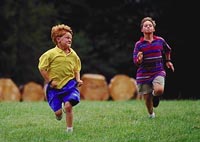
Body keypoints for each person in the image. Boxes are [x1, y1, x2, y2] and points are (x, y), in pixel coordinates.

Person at [38, 24, 83, 132]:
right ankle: (58, 114)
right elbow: (42, 68)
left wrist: (78, 79)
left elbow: (77, 69)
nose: (70, 40)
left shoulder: (73, 54)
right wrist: (50, 81)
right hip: (54, 88)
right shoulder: (50, 54)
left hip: (70, 85)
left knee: (68, 106)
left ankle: (69, 130)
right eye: (67, 37)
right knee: (58, 113)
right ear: (58, 39)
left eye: (71, 38)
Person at [133, 17, 174, 118]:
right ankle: (151, 114)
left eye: (150, 25)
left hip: (158, 70)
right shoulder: (139, 44)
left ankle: (155, 97)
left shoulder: (160, 40)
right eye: (145, 26)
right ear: (142, 29)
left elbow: (168, 50)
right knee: (147, 98)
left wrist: (168, 61)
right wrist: (139, 59)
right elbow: (135, 62)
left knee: (159, 90)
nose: (148, 27)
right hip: (143, 73)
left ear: (153, 29)